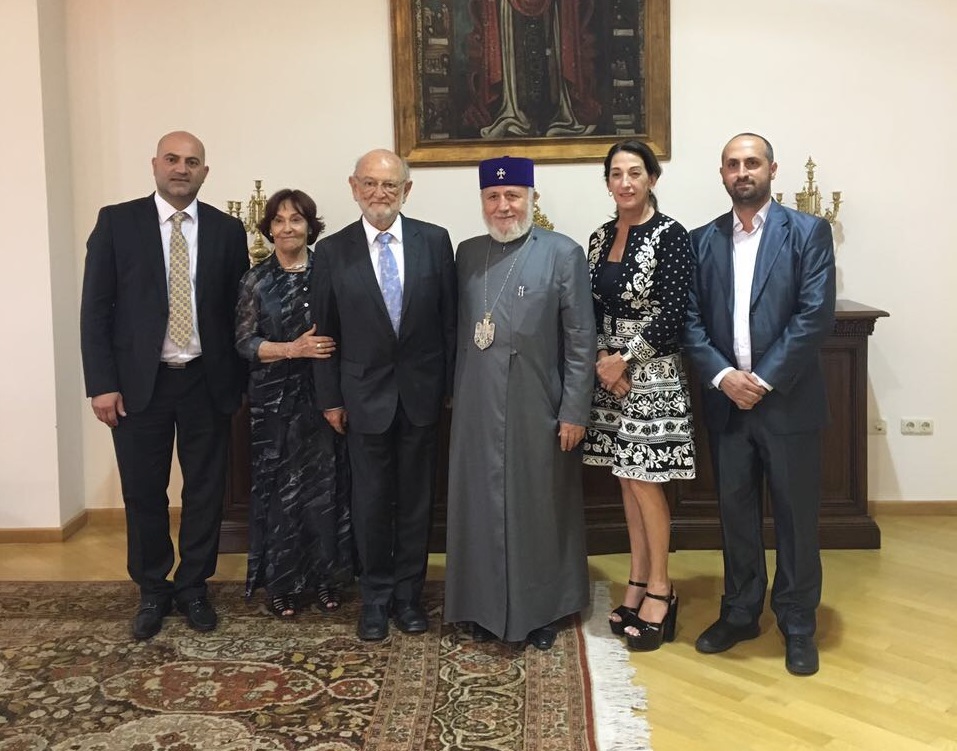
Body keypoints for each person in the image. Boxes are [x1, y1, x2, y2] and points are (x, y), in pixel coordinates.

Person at [80, 131, 249, 640]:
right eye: (172, 159)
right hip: (137, 385)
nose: (181, 168)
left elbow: (236, 313)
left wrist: (237, 383)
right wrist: (102, 384)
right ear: (155, 164)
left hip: (206, 381)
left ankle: (195, 585)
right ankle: (153, 588)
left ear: (205, 172)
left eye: (192, 162)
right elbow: (95, 309)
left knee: (205, 491)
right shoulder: (117, 222)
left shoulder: (226, 229)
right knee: (144, 492)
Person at [683, 133, 836, 676]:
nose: (742, 171)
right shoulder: (702, 241)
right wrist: (725, 377)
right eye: (732, 164)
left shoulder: (809, 232)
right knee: (737, 515)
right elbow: (690, 321)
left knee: (796, 519)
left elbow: (814, 316)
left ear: (772, 169)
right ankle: (742, 611)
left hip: (787, 403)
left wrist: (762, 380)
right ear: (721, 174)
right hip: (727, 404)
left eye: (752, 163)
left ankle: (797, 622)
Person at [444, 156, 596, 651]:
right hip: (475, 407)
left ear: (532, 198)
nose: (503, 205)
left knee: (539, 508)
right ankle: (478, 605)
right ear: (483, 201)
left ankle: (544, 609)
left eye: (513, 196)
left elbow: (579, 339)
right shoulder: (467, 253)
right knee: (480, 507)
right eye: (493, 196)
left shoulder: (562, 253)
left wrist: (574, 410)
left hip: (539, 406)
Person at [311, 149, 456, 642]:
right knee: (371, 502)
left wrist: (450, 391)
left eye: (389, 186)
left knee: (417, 502)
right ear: (354, 187)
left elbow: (449, 324)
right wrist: (330, 398)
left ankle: (408, 598)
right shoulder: (332, 252)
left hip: (421, 396)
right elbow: (323, 334)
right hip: (361, 399)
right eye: (369, 184)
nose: (379, 194)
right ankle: (374, 599)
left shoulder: (435, 243)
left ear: (406, 191)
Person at [582, 141, 696, 651]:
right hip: (610, 372)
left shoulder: (671, 235)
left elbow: (672, 313)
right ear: (607, 182)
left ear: (652, 178)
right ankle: (635, 579)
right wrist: (605, 362)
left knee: (646, 480)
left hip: (651, 371)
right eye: (616, 174)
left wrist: (624, 358)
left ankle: (662, 589)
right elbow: (588, 307)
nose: (625, 182)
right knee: (625, 481)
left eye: (635, 172)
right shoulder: (600, 235)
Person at [234, 189, 354, 619]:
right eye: (279, 220)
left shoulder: (330, 271)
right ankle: (282, 585)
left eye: (296, 220)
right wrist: (292, 349)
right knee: (280, 496)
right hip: (274, 405)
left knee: (326, 492)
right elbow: (244, 343)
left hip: (325, 401)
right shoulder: (256, 279)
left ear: (310, 227)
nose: (287, 228)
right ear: (268, 229)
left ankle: (326, 580)